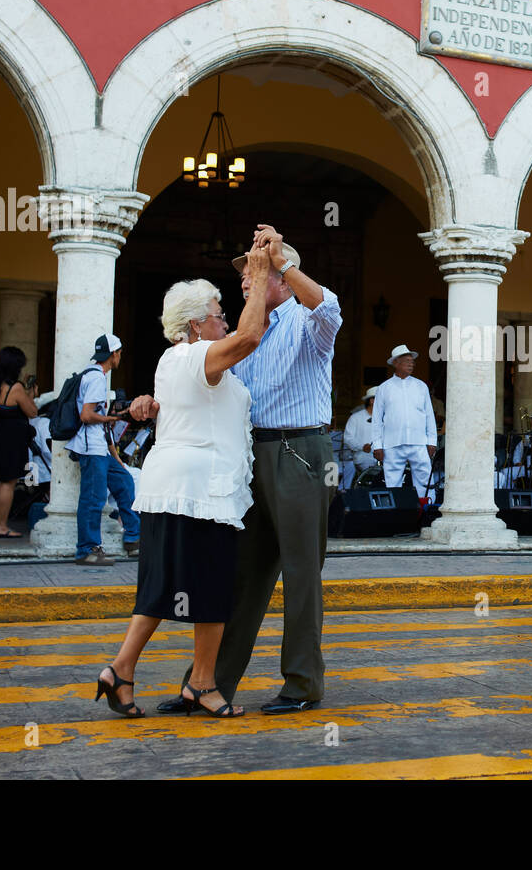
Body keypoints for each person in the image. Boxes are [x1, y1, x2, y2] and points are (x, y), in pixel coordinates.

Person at [155, 225, 342, 716]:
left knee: (301, 573)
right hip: (250, 453)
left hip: (300, 450)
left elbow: (329, 309)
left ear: (284, 276)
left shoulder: (306, 322)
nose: (246, 279)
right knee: (242, 575)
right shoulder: (246, 327)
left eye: (256, 272)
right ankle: (208, 685)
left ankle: (302, 684)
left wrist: (279, 260)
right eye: (244, 273)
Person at [96, 247, 272, 719]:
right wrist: (257, 271)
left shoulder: (176, 361)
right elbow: (251, 335)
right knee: (212, 589)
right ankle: (202, 685)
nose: (225, 322)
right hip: (200, 492)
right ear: (196, 324)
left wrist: (146, 404)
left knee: (162, 584)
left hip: (172, 489)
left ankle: (122, 670)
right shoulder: (195, 356)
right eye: (219, 316)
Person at [67, 334, 141, 565]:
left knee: (124, 481)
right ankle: (87, 550)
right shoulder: (97, 378)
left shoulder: (93, 375)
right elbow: (87, 415)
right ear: (114, 354)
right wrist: (110, 417)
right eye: (119, 354)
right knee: (93, 499)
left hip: (99, 447)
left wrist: (116, 456)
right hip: (91, 449)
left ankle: (134, 536)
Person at [371, 344, 437, 499]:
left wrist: (432, 441)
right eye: (407, 360)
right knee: (392, 482)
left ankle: (426, 511)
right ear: (396, 363)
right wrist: (377, 445)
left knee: (425, 481)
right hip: (393, 443)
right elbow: (377, 420)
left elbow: (429, 416)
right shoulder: (384, 388)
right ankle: (397, 514)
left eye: (412, 361)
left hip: (419, 441)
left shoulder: (421, 386)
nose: (411, 363)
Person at [0, 347, 38, 539]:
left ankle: (1, 524)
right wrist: (31, 392)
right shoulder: (15, 388)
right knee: (9, 483)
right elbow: (32, 411)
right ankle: (1, 526)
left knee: (3, 481)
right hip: (13, 438)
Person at [342, 387, 379, 489]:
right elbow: (348, 438)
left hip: (382, 455)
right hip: (363, 455)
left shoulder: (384, 417)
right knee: (370, 466)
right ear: (372, 401)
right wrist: (362, 447)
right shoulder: (356, 417)